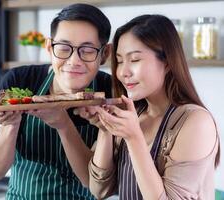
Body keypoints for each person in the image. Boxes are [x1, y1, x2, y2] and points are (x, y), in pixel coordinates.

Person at [75, 14, 220, 199]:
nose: (123, 72)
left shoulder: (195, 122)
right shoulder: (134, 113)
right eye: (119, 61)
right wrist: (106, 129)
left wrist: (134, 137)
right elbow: (99, 189)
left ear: (167, 62)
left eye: (134, 60)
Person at [0, 3, 111, 199]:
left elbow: (93, 183)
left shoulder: (109, 92)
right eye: (63, 48)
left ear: (105, 54)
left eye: (87, 50)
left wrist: (63, 125)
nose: (74, 61)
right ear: (49, 47)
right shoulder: (20, 81)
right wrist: (11, 124)